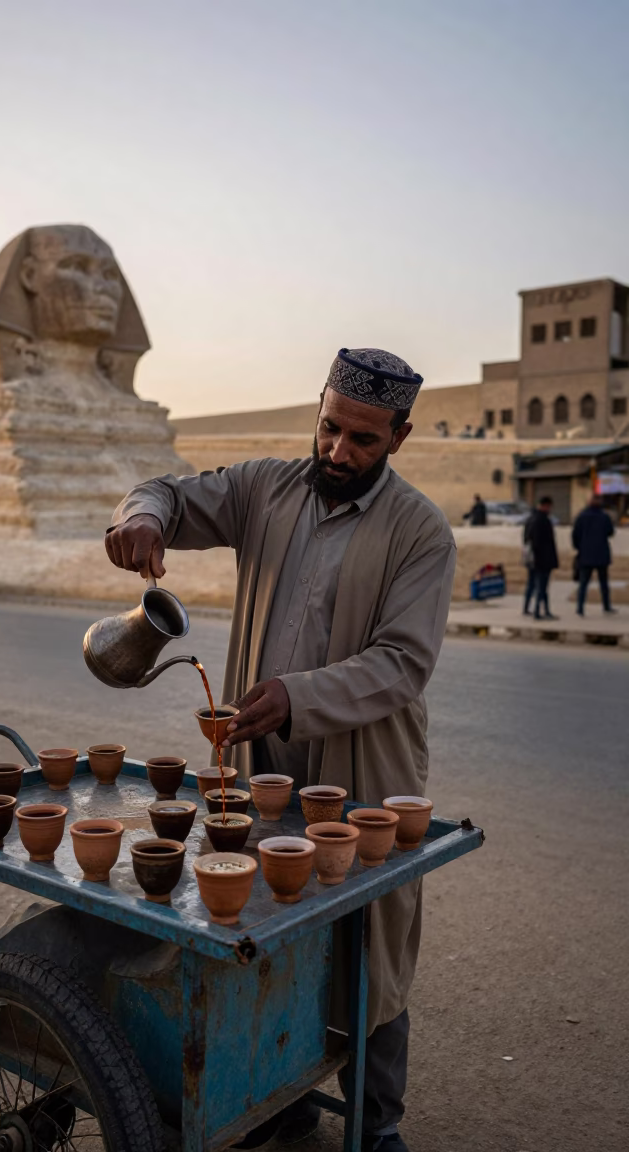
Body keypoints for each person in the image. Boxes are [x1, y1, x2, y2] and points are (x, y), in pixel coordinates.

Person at [105, 347, 456, 1152]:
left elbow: (403, 663)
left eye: (363, 441)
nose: (338, 452)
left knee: (368, 939)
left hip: (362, 767)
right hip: (261, 761)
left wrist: (297, 695)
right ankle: (275, 1094)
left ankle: (376, 1122)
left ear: (398, 438)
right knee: (264, 920)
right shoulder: (268, 487)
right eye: (329, 429)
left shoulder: (420, 532)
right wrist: (143, 516)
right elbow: (167, 490)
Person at [572, 493, 616, 616]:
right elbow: (610, 532)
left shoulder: (581, 516)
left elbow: (575, 535)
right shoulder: (604, 517)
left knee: (583, 583)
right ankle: (606, 606)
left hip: (586, 555)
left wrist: (579, 548)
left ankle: (580, 608)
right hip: (602, 554)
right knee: (604, 583)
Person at [527, 496, 559, 619]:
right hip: (542, 559)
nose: (550, 509)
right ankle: (538, 612)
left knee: (542, 587)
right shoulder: (541, 520)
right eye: (549, 507)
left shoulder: (534, 519)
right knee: (542, 587)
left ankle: (545, 610)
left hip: (538, 559)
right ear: (545, 506)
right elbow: (537, 542)